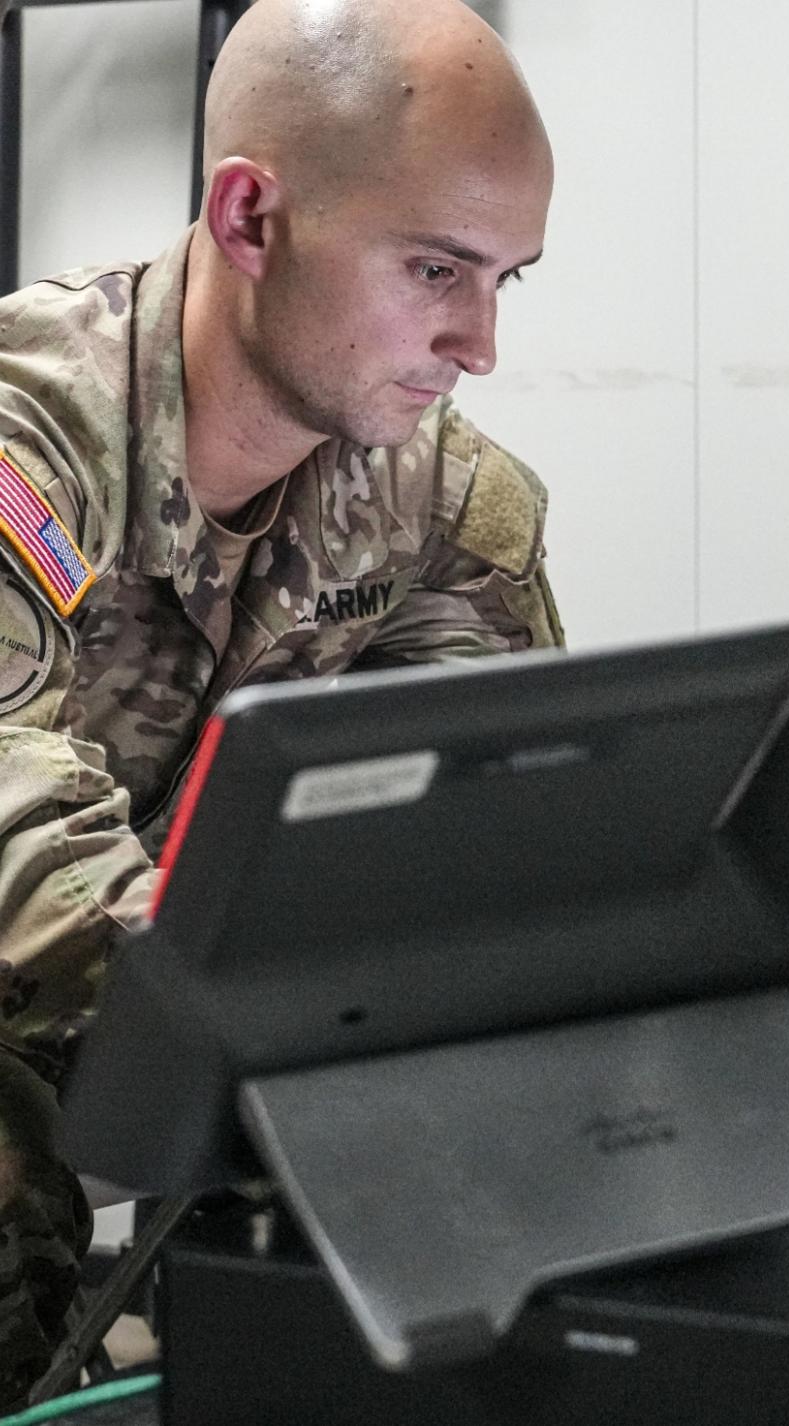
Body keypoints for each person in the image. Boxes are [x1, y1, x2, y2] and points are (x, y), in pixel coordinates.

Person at [0, 0, 560, 1398]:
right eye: (435, 268)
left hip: (156, 1012)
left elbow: (521, 815)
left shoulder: (436, 496)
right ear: (250, 217)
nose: (479, 341)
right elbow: (15, 847)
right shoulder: (28, 439)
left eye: (506, 278)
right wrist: (303, 1044)